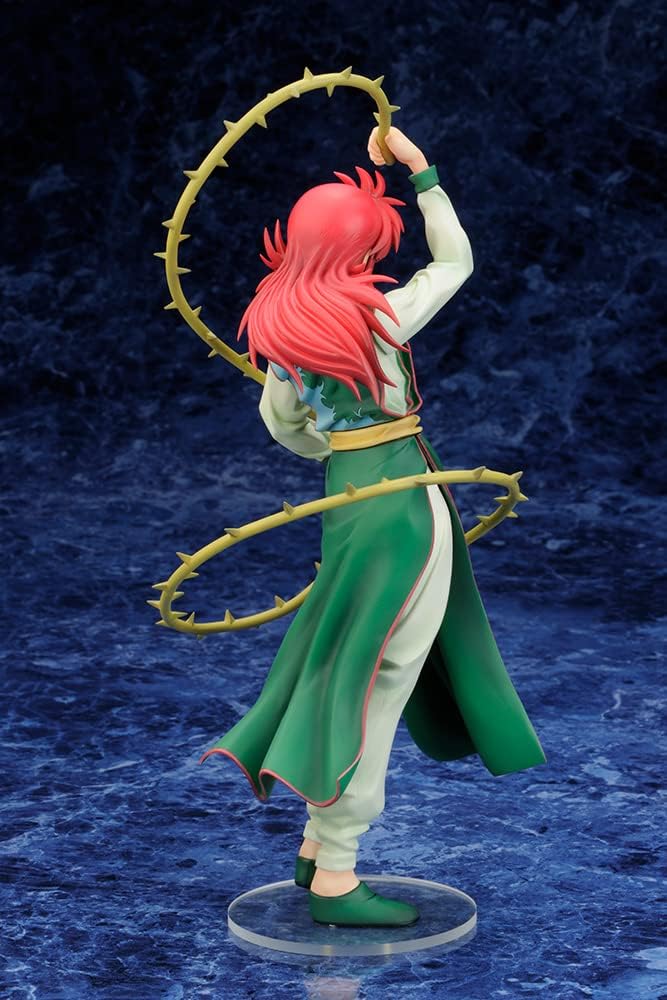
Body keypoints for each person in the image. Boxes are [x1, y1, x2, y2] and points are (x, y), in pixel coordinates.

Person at [200, 126, 546, 927]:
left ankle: (316, 845)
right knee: (375, 680)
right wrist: (422, 174)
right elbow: (453, 263)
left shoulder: (282, 331)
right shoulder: (379, 317)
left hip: (350, 501)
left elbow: (284, 428)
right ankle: (336, 871)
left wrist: (339, 448)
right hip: (402, 506)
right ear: (357, 250)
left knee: (346, 659)